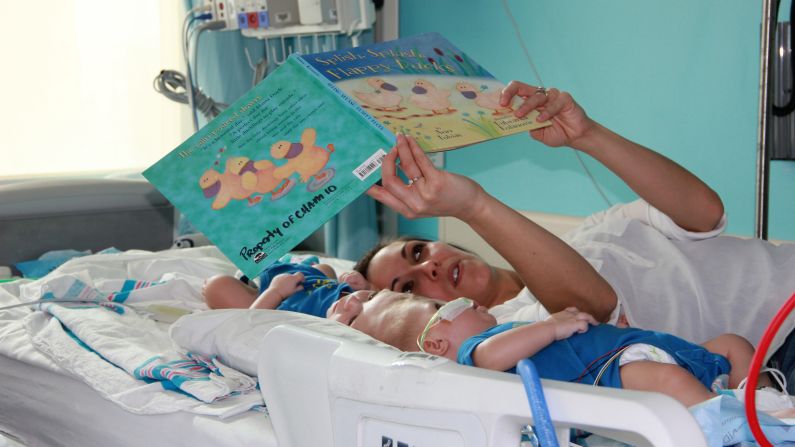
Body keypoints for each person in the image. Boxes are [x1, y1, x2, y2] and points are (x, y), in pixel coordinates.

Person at [359, 81, 795, 391]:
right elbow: (595, 306)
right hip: (777, 356)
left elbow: (705, 212)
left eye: (418, 251)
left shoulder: (589, 232)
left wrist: (588, 136)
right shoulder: (524, 338)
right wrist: (473, 205)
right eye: (411, 286)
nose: (428, 266)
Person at [409, 297, 795, 414]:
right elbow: (491, 358)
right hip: (615, 376)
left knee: (732, 343)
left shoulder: (515, 327)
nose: (472, 303)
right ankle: (733, 425)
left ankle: (763, 401)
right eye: (456, 307)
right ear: (436, 344)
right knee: (667, 380)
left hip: (641, 350)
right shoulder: (473, 353)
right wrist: (552, 327)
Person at [202, 256, 376, 324]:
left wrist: (275, 292)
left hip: (268, 298)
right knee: (325, 268)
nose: (354, 302)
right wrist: (360, 286)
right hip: (309, 275)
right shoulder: (351, 299)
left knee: (216, 286)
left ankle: (239, 283)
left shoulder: (311, 326)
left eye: (352, 320)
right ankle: (303, 262)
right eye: (371, 300)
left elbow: (251, 322)